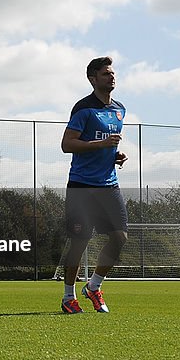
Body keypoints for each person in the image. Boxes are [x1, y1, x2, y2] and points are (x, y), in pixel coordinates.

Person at [59, 56, 128, 314]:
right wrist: (101, 145)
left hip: (109, 185)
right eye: (105, 73)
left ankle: (94, 287)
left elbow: (109, 144)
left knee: (120, 238)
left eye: (112, 73)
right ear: (93, 79)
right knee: (79, 241)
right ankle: (68, 297)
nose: (112, 77)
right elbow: (67, 145)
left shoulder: (120, 109)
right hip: (81, 185)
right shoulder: (83, 108)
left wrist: (115, 156)